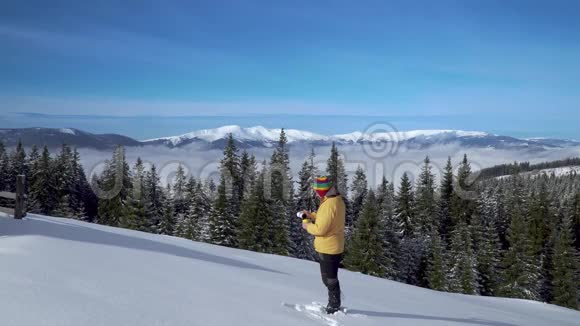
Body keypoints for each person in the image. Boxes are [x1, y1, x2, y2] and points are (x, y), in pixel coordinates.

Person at [301, 176, 346, 314]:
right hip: (331, 246)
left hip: (329, 248)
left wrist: (307, 225)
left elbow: (320, 229)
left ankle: (334, 307)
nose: (315, 193)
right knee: (328, 278)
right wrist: (311, 215)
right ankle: (335, 300)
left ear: (322, 191)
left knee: (330, 279)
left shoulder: (329, 204)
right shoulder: (334, 200)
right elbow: (326, 218)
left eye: (316, 191)